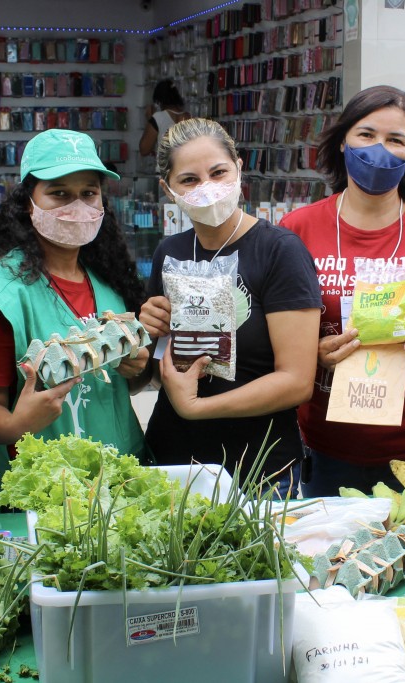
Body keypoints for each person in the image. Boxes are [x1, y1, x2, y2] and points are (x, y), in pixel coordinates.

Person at [279, 85, 405, 498]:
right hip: (326, 446)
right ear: (342, 142)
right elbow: (273, 335)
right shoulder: (297, 230)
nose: (379, 150)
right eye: (366, 135)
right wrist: (311, 351)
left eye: (395, 140)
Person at [0, 129, 149, 511]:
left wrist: (137, 370)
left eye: (88, 193)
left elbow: (117, 389)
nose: (77, 206)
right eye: (59, 193)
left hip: (119, 479)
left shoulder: (109, 283)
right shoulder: (2, 294)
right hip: (43, 491)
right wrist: (18, 424)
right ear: (27, 202)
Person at [139, 117, 321, 496]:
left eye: (218, 172)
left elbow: (296, 381)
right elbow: (162, 368)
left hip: (259, 470)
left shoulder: (280, 252)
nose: (207, 188)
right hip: (174, 465)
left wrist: (196, 407)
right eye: (189, 180)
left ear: (238, 168)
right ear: (167, 189)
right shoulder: (169, 252)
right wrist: (148, 332)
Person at [139, 79, 191, 157]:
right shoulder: (188, 116)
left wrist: (149, 120)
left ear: (158, 101)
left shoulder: (158, 118)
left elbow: (144, 150)